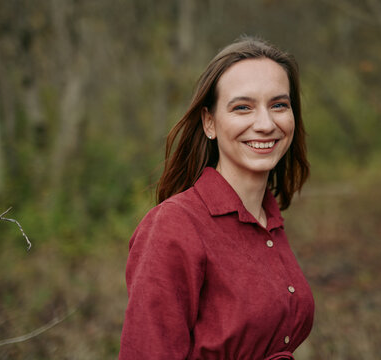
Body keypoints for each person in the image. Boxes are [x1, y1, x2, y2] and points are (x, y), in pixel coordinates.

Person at [119, 36, 314, 360]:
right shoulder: (174, 225)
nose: (266, 124)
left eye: (279, 105)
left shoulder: (269, 219)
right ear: (209, 122)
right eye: (243, 107)